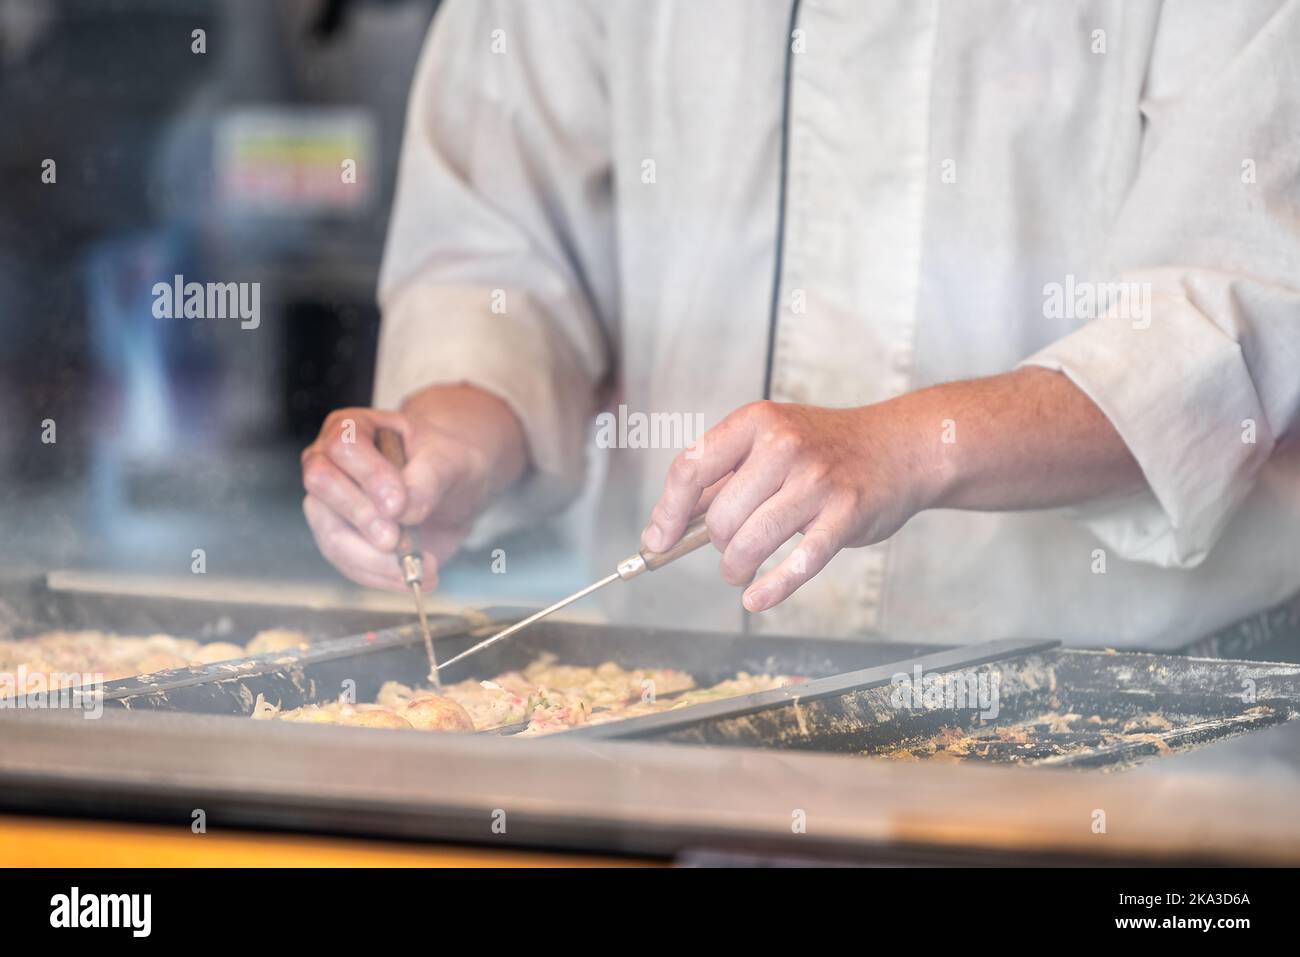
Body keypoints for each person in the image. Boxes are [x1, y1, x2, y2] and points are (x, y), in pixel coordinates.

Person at [301, 0, 1300, 650]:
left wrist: (908, 448)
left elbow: (1238, 314)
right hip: (689, 727)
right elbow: (501, 249)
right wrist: (449, 436)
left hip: (1124, 742)